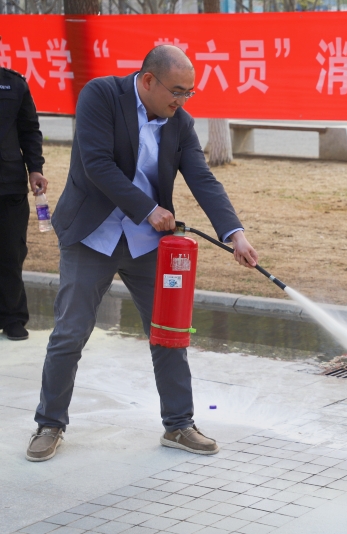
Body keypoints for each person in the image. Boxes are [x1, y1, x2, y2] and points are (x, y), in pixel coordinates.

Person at [26, 45, 258, 462]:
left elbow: (203, 179)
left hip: (146, 245)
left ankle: (179, 424)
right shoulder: (101, 95)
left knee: (169, 333)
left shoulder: (179, 122)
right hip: (91, 235)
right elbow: (96, 164)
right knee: (70, 332)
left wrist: (235, 234)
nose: (182, 100)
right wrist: (149, 209)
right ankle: (49, 423)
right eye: (177, 90)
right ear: (148, 80)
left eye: (189, 92)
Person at [0, 63, 47, 342]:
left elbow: (29, 130)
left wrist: (36, 169)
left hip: (8, 185)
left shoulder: (14, 84)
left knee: (11, 252)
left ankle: (13, 317)